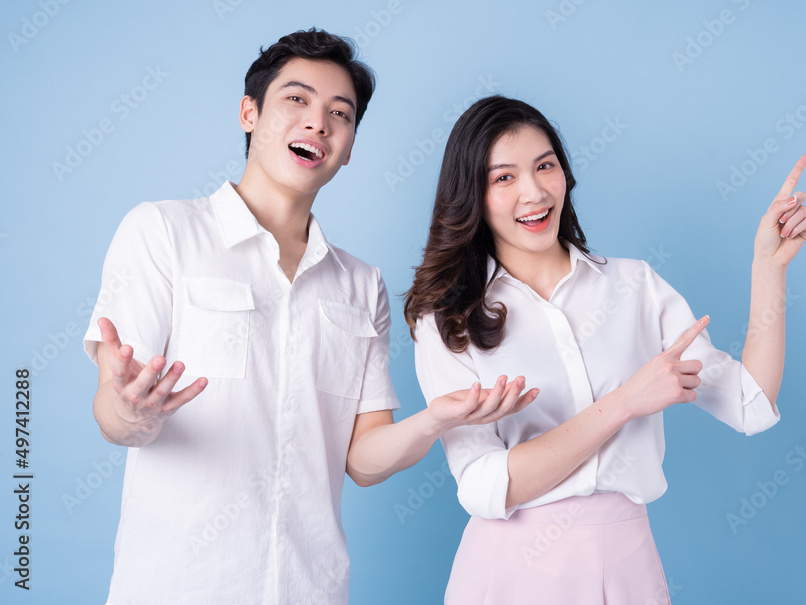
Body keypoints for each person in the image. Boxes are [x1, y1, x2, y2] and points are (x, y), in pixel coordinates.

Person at [82, 31, 535, 604]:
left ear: (348, 148)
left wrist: (439, 419)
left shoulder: (360, 283)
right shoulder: (162, 233)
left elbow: (363, 463)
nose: (318, 123)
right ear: (250, 113)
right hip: (178, 586)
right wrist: (132, 411)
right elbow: (114, 416)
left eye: (339, 114)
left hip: (311, 588)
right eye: (296, 100)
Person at [404, 95, 806, 604]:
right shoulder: (446, 320)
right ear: (473, 195)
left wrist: (769, 268)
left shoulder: (634, 285)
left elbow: (750, 404)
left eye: (545, 166)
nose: (533, 191)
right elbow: (485, 486)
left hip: (627, 564)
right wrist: (625, 402)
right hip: (509, 571)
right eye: (503, 177)